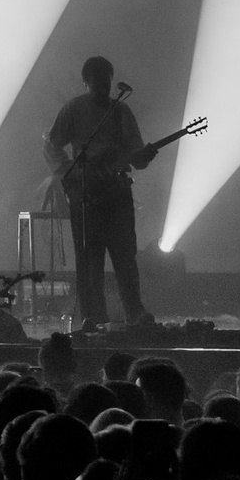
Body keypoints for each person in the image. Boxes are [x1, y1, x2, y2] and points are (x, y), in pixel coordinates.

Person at [40, 58, 155, 328]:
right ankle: (93, 316)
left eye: (106, 79)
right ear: (86, 81)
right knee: (89, 261)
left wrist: (145, 156)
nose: (103, 85)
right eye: (97, 80)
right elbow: (52, 144)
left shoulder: (122, 112)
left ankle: (135, 313)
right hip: (87, 196)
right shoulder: (74, 109)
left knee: (126, 257)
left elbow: (136, 156)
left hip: (116, 193)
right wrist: (69, 170)